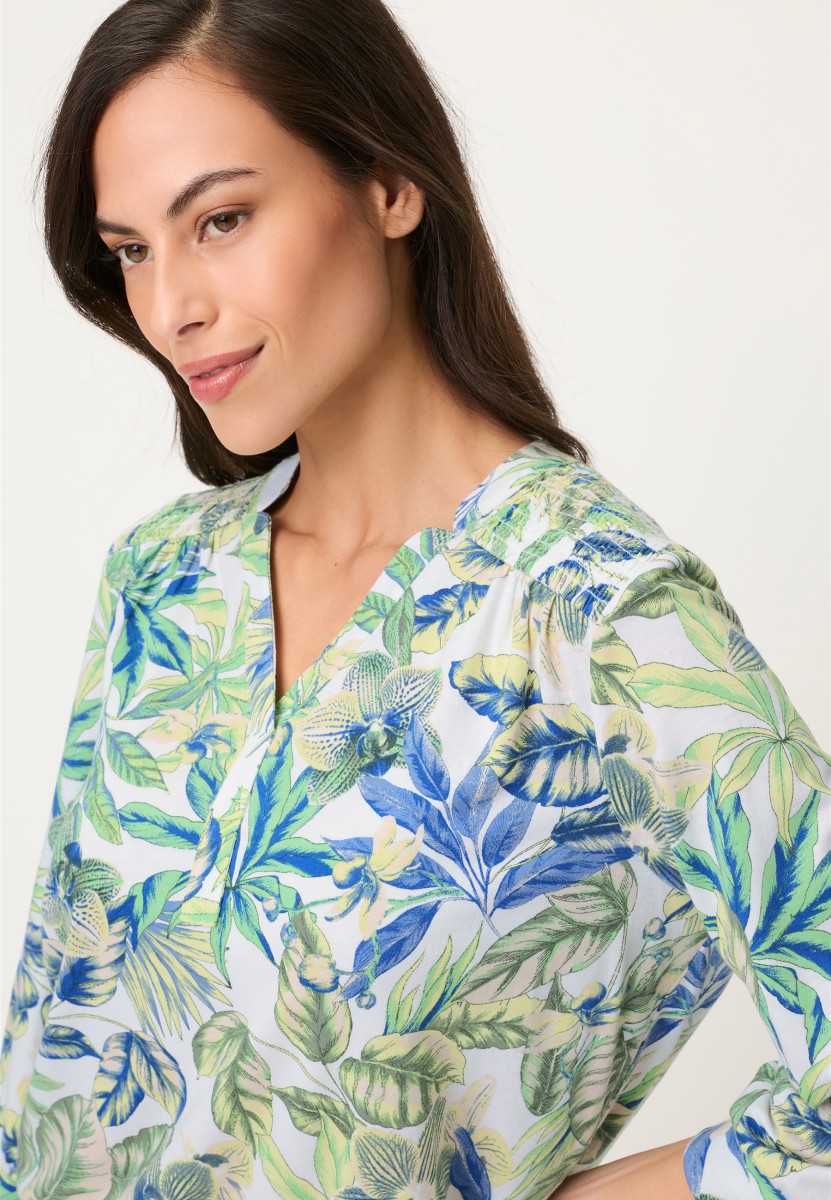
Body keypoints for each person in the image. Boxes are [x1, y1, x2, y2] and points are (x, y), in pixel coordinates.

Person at [1, 1, 829, 1197]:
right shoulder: (164, 581)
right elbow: (49, 1067)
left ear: (389, 185)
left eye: (221, 220)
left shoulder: (595, 608)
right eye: (132, 249)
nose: (170, 305)